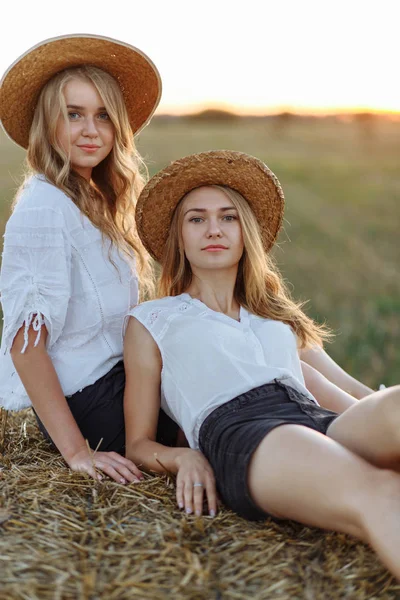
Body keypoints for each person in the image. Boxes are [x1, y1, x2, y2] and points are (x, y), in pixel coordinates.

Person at [123, 150, 400, 579]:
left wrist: (381, 410)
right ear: (178, 237)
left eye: (228, 217)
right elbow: (137, 443)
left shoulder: (273, 315)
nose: (213, 229)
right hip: (247, 433)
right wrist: (182, 458)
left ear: (245, 231)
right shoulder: (152, 320)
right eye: (196, 219)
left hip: (314, 420)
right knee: (383, 491)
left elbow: (341, 389)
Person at [0, 34, 179, 484]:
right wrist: (79, 453)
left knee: (253, 329)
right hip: (95, 401)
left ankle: (361, 414)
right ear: (48, 123)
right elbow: (25, 346)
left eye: (103, 115)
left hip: (123, 377)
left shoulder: (91, 199)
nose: (90, 130)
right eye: (73, 114)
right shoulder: (43, 207)